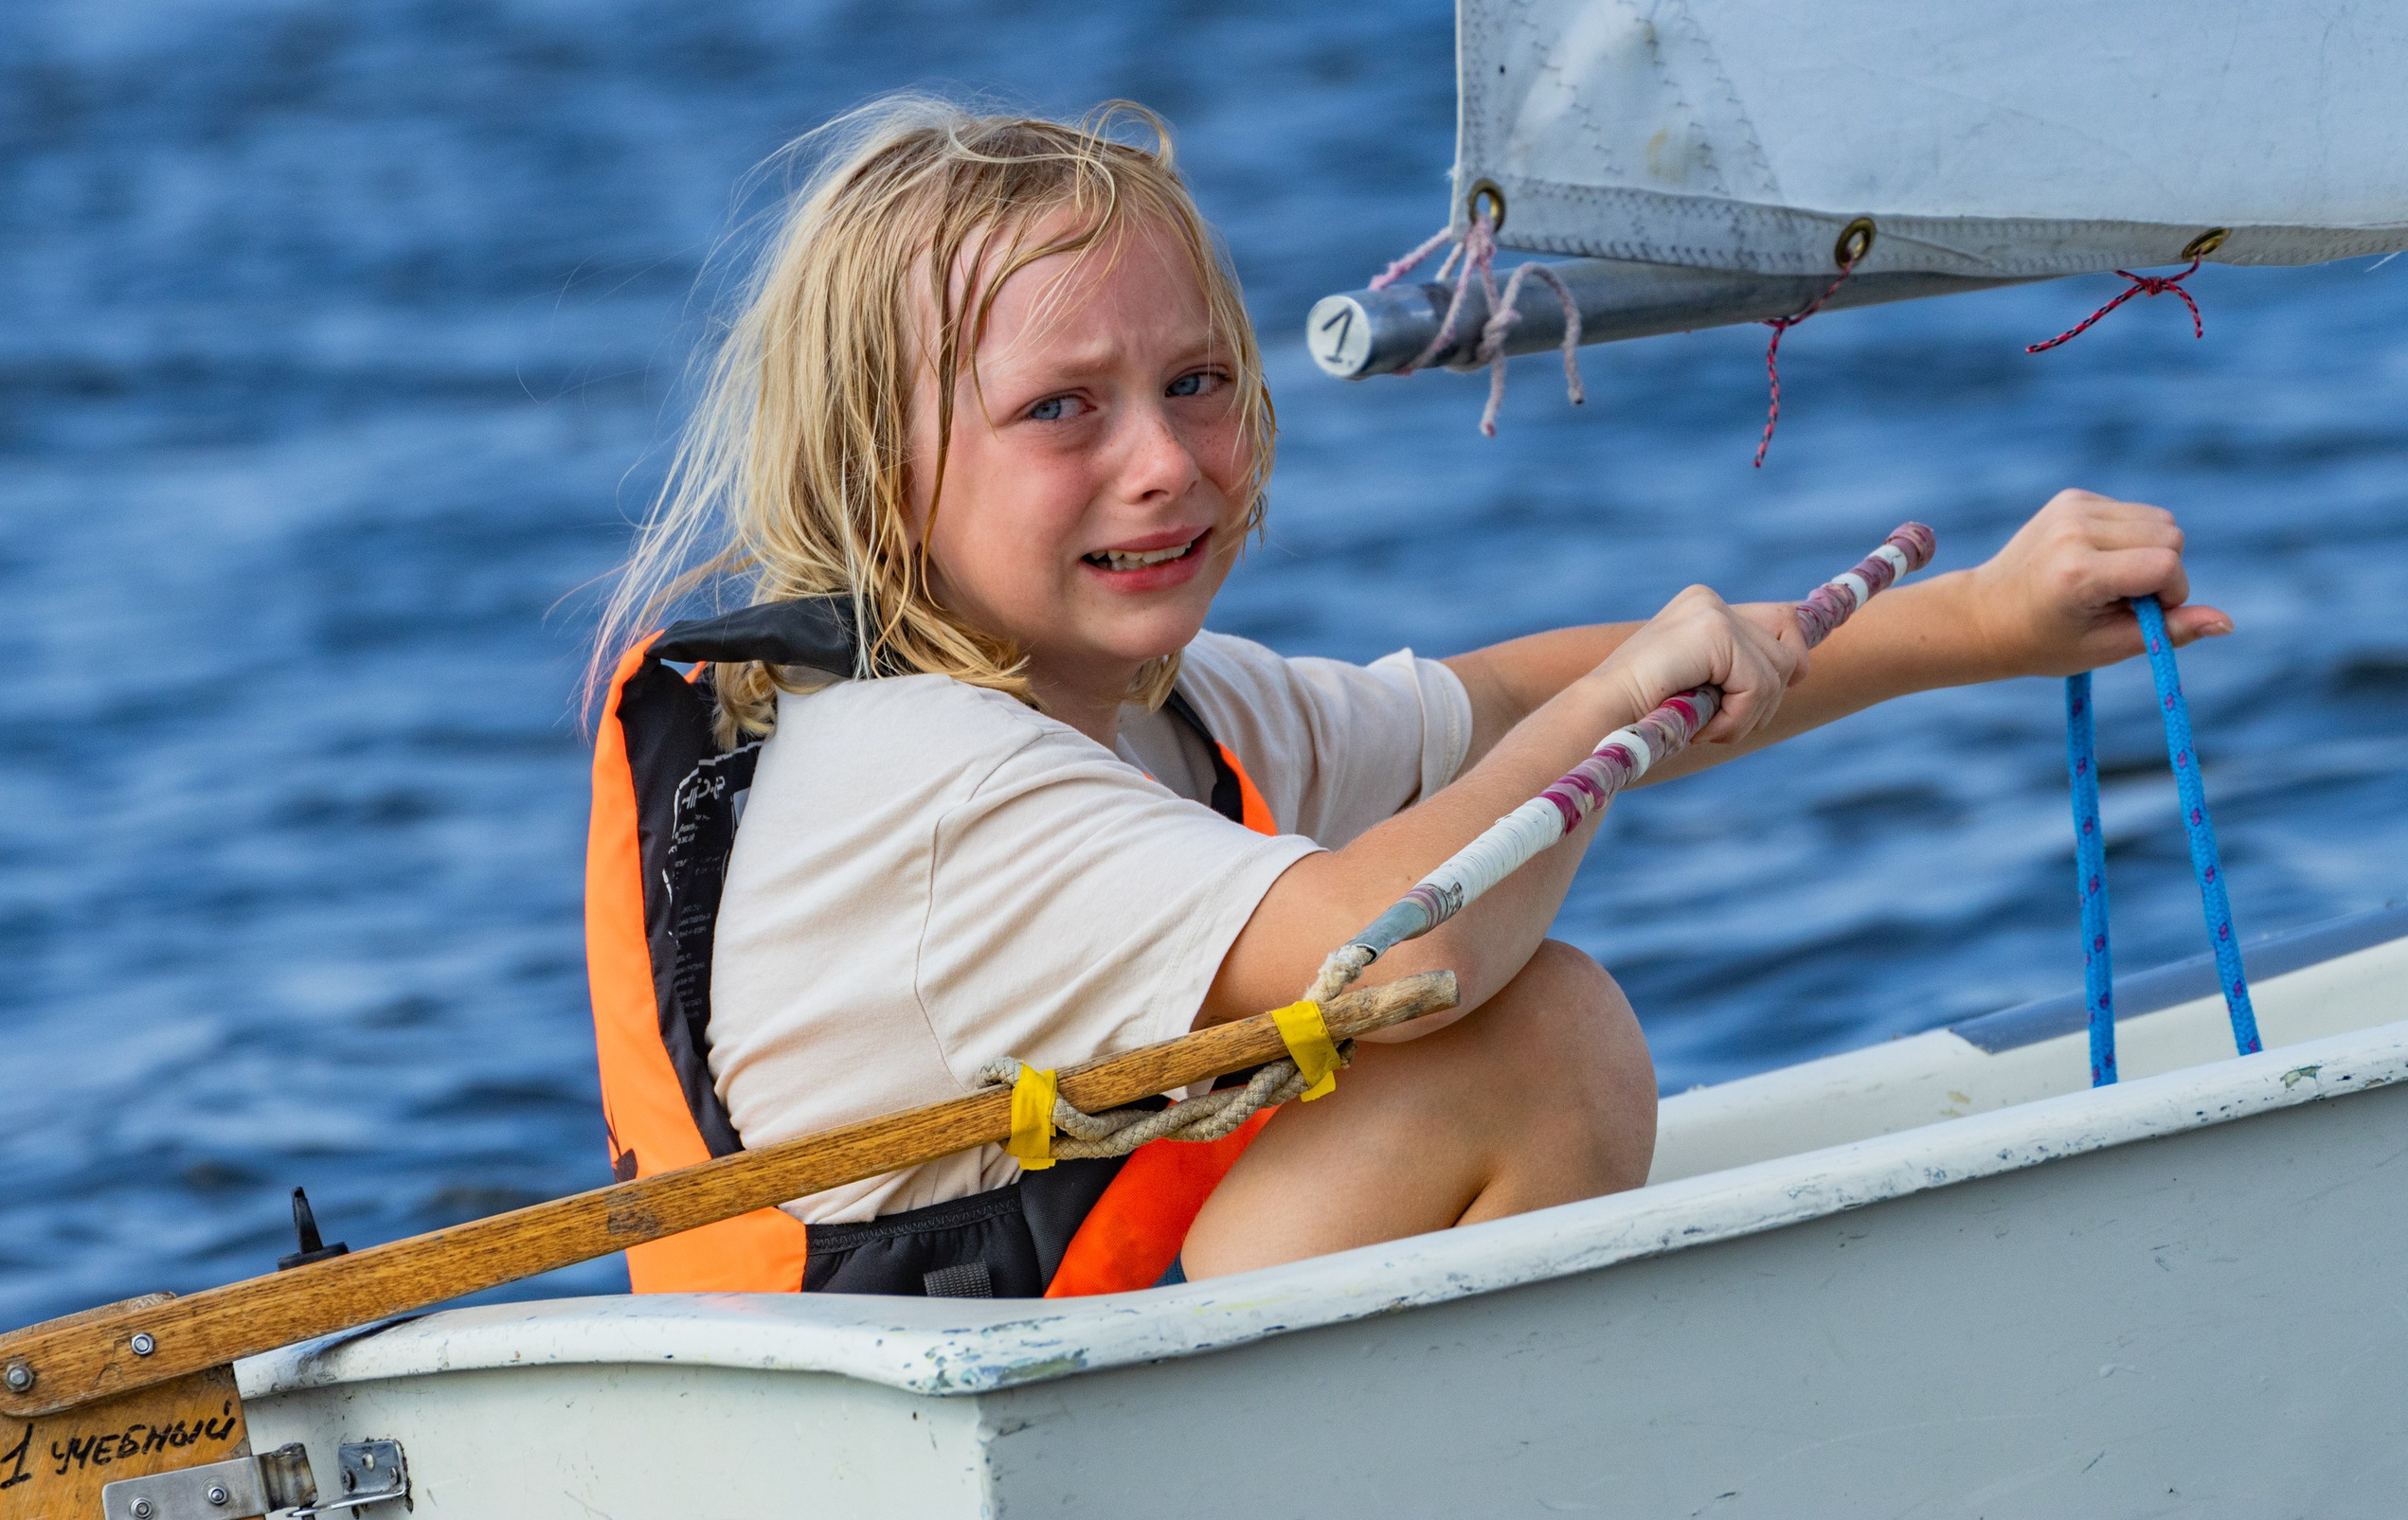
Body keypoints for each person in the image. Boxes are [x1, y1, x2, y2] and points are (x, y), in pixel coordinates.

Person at [584, 97, 2229, 1297]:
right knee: (1532, 1047)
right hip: (969, 1457)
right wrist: (1609, 714)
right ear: (880, 474)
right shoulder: (928, 779)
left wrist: (1976, 622)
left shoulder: (1149, 711)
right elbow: (1405, 954)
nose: (1164, 462)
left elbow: (1489, 705)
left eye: (1197, 382)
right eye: (1061, 410)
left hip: (1056, 1400)